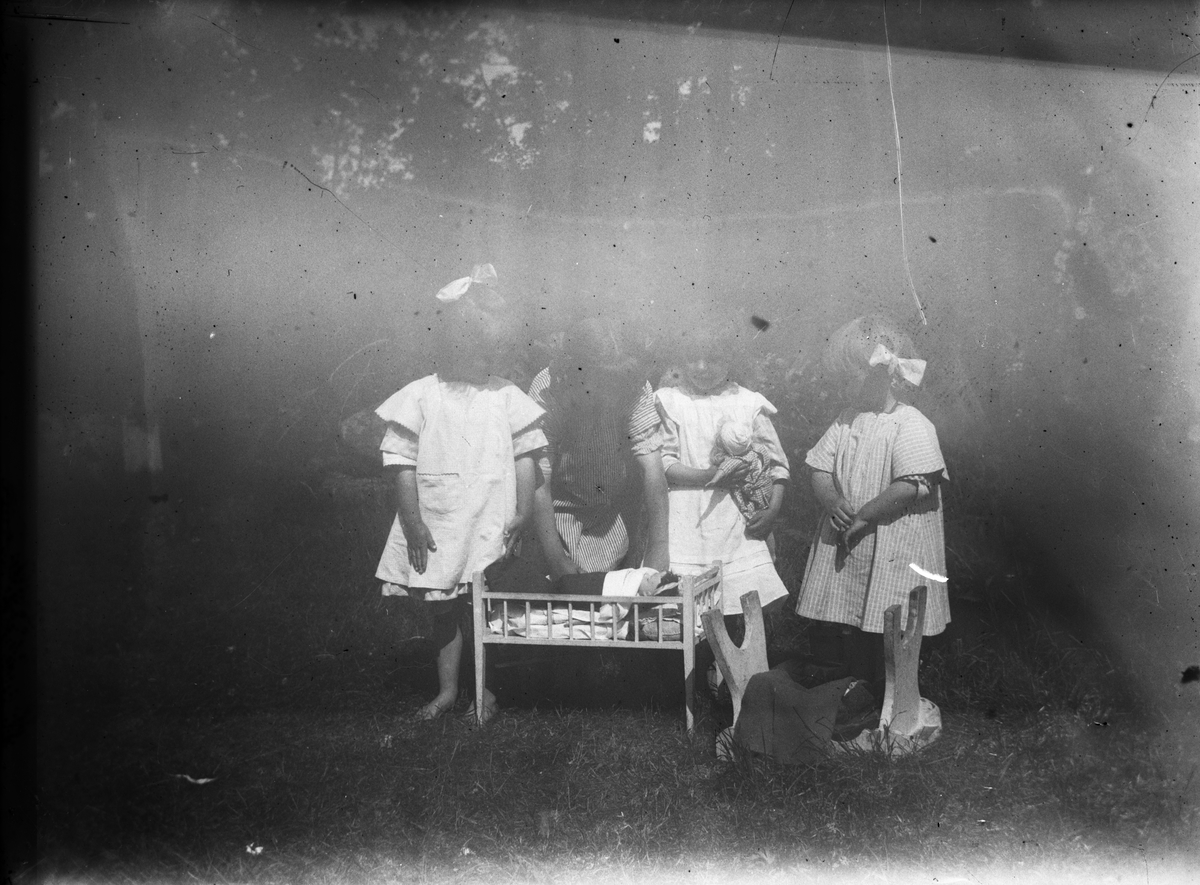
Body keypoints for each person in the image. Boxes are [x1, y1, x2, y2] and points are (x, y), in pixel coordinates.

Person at [374, 265, 546, 722]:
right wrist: (412, 521)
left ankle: (484, 690)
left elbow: (526, 458)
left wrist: (524, 511)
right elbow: (400, 463)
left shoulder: (505, 396)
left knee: (481, 608)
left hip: (489, 519)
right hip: (439, 520)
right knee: (442, 608)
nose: (477, 360)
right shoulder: (420, 395)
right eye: (467, 349)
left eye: (487, 352)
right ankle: (448, 690)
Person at [794, 315, 950, 690]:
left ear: (880, 375)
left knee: (891, 613)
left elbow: (911, 486)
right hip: (851, 536)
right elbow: (818, 467)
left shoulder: (911, 423)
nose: (841, 387)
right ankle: (856, 683)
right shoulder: (846, 420)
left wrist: (865, 515)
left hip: (893, 538)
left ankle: (893, 689)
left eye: (849, 378)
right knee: (852, 609)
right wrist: (832, 499)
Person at [654, 326, 791, 640]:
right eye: (693, 358)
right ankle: (697, 666)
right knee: (689, 610)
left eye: (713, 359)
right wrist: (709, 476)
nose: (702, 367)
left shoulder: (747, 402)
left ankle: (739, 665)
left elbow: (777, 465)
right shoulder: (671, 400)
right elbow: (665, 462)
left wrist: (771, 512)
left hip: (737, 517)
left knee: (742, 603)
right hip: (687, 517)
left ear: (731, 358)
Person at [527, 316, 670, 577]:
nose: (605, 398)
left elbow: (652, 471)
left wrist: (658, 549)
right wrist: (557, 559)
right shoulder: (548, 390)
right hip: (555, 511)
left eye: (611, 390)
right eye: (594, 388)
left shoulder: (633, 386)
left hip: (614, 510)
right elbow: (540, 480)